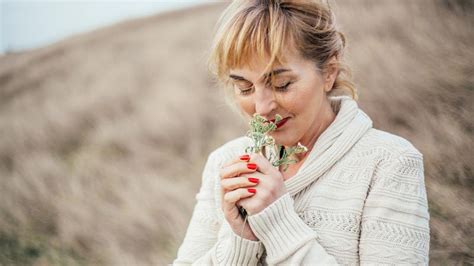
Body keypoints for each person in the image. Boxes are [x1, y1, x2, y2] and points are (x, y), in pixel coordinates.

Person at [173, 0, 430, 265]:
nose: (262, 108)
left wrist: (277, 224)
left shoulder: (390, 162)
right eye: (245, 88)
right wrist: (240, 243)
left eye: (281, 84)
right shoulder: (224, 163)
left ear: (328, 72)